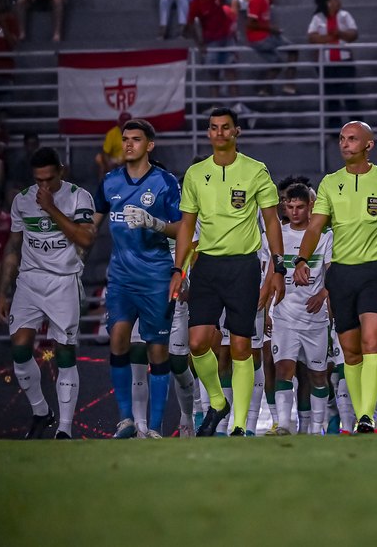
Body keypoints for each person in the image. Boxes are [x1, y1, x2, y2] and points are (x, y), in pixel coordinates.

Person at [293, 122, 377, 434]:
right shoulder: (331, 184)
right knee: (350, 350)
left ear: (368, 145)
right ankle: (362, 416)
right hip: (342, 273)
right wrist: (302, 259)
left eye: (351, 139)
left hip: (375, 270)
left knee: (372, 340)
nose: (344, 144)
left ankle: (365, 416)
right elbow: (315, 227)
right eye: (341, 139)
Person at [170, 107, 286, 437]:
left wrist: (278, 267)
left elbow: (272, 221)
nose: (219, 133)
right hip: (206, 265)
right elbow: (187, 225)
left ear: (236, 132)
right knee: (197, 342)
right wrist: (178, 269)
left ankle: (238, 425)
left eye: (225, 128)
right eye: (213, 128)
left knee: (240, 347)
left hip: (243, 267)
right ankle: (218, 402)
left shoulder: (255, 171)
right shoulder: (195, 174)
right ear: (208, 133)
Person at [0, 147, 96, 439]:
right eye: (38, 180)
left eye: (49, 179)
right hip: (29, 281)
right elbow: (13, 247)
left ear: (61, 172)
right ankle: (41, 411)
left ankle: (64, 429)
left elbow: (86, 238)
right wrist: (4, 292)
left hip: (63, 280)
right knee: (19, 347)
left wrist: (51, 207)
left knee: (64, 351)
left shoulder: (79, 196)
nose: (43, 186)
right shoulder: (22, 201)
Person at [95, 119, 182, 439]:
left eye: (135, 139)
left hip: (156, 276)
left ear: (150, 145)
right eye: (125, 139)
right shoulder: (109, 182)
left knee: (157, 351)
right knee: (118, 340)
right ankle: (126, 419)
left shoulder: (165, 182)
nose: (128, 144)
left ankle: (156, 426)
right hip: (120, 278)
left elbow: (181, 228)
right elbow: (93, 224)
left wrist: (153, 223)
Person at [268, 183, 334, 435]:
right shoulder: (275, 236)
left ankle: (317, 427)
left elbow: (333, 274)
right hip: (284, 316)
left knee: (318, 376)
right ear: (284, 206)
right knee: (284, 369)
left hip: (315, 318)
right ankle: (285, 423)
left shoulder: (324, 236)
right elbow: (267, 275)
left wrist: (323, 294)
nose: (294, 212)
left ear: (310, 207)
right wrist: (266, 311)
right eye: (290, 206)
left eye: (300, 207)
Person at [307, 0, 359, 121]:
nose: (339, 1)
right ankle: (333, 129)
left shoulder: (345, 15)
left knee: (350, 96)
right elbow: (312, 37)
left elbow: (353, 34)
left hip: (344, 62)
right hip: (326, 63)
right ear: (328, 2)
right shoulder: (318, 18)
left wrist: (340, 34)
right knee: (331, 98)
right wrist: (330, 37)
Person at [247, 0, 298, 96]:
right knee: (293, 50)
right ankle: (289, 84)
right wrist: (271, 29)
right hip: (260, 38)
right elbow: (250, 24)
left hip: (265, 35)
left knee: (277, 64)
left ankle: (263, 89)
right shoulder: (256, 0)